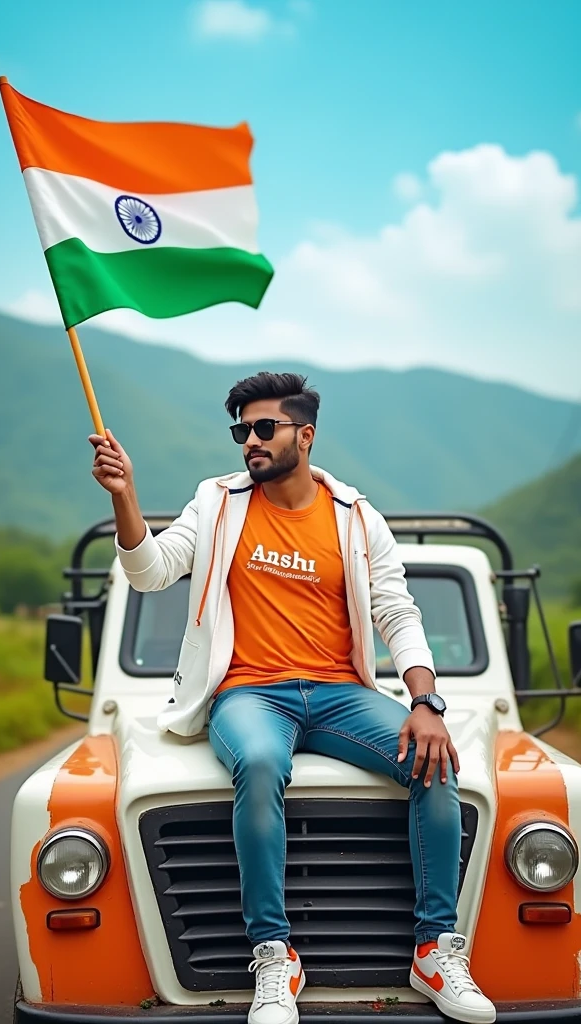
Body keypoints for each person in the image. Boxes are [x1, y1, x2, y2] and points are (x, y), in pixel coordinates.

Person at [89, 371, 495, 1024]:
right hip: (250, 694)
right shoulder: (215, 504)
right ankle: (275, 955)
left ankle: (434, 949)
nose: (249, 440)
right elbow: (149, 572)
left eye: (264, 427)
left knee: (436, 761)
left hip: (339, 693)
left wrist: (426, 702)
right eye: (241, 430)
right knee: (257, 763)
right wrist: (125, 495)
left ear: (304, 435)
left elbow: (398, 612)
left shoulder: (358, 518)